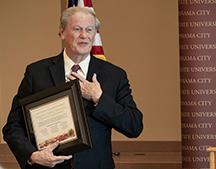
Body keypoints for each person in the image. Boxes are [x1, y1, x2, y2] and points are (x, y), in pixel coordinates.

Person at [3, 7, 143, 169]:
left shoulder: (114, 75)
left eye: (89, 30)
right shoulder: (36, 72)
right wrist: (32, 155)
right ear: (62, 32)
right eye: (77, 29)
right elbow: (13, 126)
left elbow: (134, 126)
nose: (84, 35)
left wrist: (99, 98)